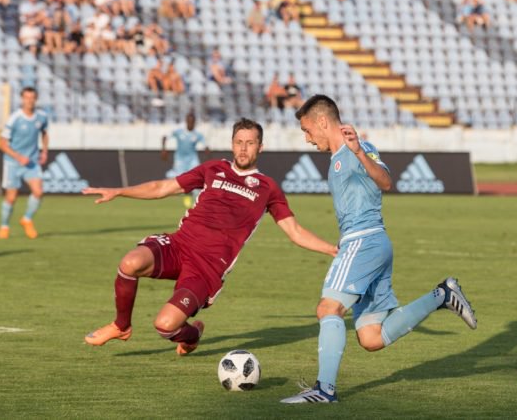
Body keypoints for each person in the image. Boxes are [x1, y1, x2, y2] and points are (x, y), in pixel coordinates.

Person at [280, 95, 476, 403]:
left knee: (327, 308)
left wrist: (358, 150)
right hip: (372, 245)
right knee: (371, 337)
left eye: (307, 130)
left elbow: (386, 181)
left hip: (363, 240)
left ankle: (324, 390)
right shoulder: (335, 158)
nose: (306, 139)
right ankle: (442, 295)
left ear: (321, 121)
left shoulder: (356, 146)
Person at [82, 118, 337, 354]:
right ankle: (121, 326)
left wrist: (332, 250)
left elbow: (294, 231)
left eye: (250, 143)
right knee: (129, 263)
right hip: (179, 245)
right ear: (231, 144)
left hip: (206, 268)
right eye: (239, 142)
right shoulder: (213, 168)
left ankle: (191, 336)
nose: (243, 149)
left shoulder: (267, 188)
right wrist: (118, 191)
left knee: (165, 326)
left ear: (261, 147)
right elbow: (162, 188)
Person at [0, 87, 49, 240]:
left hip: (31, 162)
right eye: (26, 97)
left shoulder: (42, 116)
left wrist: (45, 151)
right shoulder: (15, 118)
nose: (29, 100)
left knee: (38, 192)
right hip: (13, 163)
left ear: (36, 99)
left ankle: (26, 219)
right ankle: (4, 226)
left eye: (32, 97)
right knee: (11, 198)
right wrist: (18, 157)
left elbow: (45, 133)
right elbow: (2, 144)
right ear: (22, 99)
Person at [161, 112, 207, 208]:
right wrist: (164, 150)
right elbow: (165, 137)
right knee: (179, 180)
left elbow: (205, 146)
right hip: (180, 159)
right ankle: (173, 192)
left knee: (197, 178)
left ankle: (197, 202)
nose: (191, 123)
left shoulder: (197, 134)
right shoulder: (179, 132)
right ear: (186, 121)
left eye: (192, 121)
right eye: (189, 121)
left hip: (192, 159)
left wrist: (208, 152)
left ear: (194, 122)